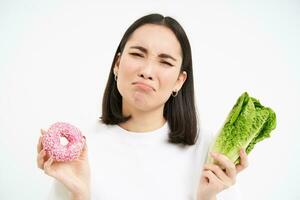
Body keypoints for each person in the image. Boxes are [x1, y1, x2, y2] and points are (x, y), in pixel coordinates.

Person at [36, 13, 248, 200]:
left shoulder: (208, 150)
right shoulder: (83, 151)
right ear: (117, 64)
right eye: (137, 54)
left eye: (165, 62)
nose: (147, 70)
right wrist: (79, 195)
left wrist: (206, 199)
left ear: (179, 81)